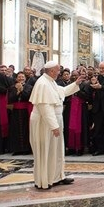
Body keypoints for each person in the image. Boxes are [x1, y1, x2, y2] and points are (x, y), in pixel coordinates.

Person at [29, 61, 86, 190]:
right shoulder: (43, 83)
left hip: (54, 121)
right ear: (51, 71)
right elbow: (45, 107)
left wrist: (76, 84)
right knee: (47, 151)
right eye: (58, 70)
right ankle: (46, 179)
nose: (59, 72)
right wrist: (54, 126)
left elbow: (62, 92)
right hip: (46, 123)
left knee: (57, 150)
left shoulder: (51, 81)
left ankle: (57, 176)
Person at [7, 71, 32, 155]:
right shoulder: (12, 87)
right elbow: (10, 98)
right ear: (16, 78)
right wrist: (17, 91)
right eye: (19, 77)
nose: (21, 78)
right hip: (15, 111)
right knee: (15, 130)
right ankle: (16, 149)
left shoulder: (29, 87)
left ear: (25, 78)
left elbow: (28, 97)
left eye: (22, 77)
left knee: (26, 129)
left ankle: (26, 149)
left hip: (25, 111)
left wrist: (22, 90)